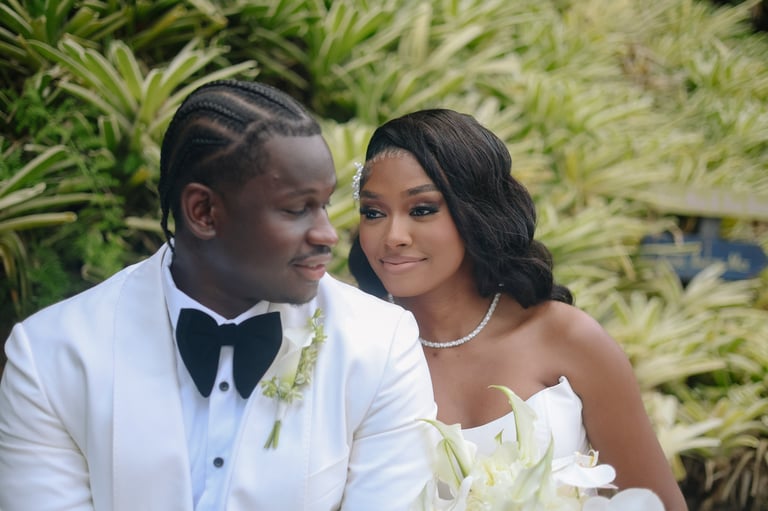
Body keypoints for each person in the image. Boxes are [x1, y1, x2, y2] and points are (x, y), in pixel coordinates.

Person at [0, 80, 437, 511]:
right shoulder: (50, 356)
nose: (327, 233)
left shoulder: (381, 346)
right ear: (203, 212)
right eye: (296, 209)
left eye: (324, 204)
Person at [348, 108, 688, 511]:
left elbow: (657, 503)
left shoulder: (566, 338)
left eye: (422, 209)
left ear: (474, 211)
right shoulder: (354, 348)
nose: (394, 236)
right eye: (373, 213)